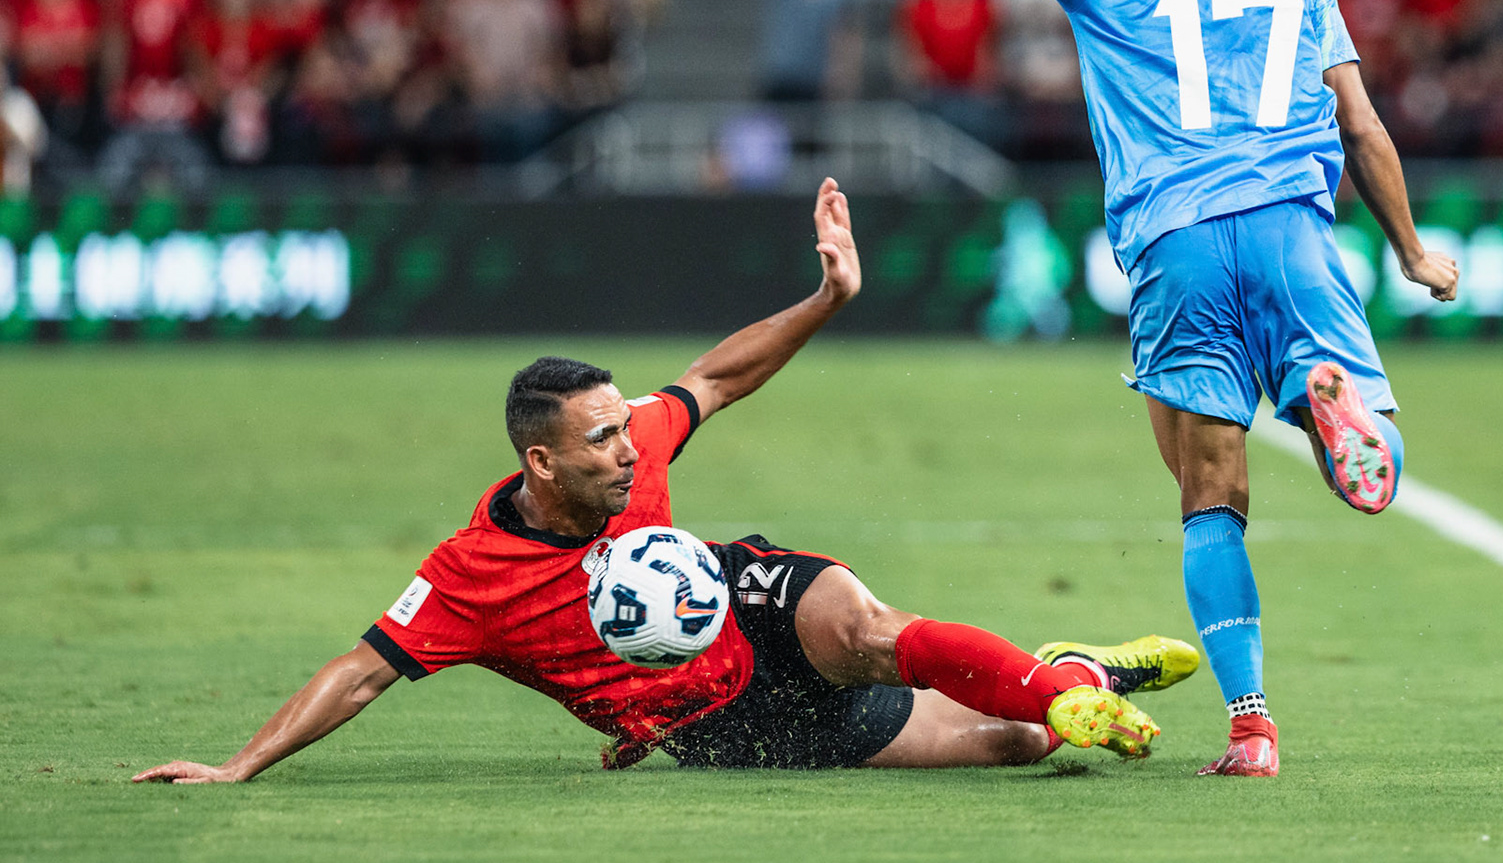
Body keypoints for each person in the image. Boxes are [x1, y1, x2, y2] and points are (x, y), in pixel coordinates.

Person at [134, 180, 1190, 783]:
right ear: (540, 461)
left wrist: (826, 297)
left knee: (868, 626)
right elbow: (359, 670)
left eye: (623, 428)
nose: (630, 448)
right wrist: (239, 765)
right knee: (1011, 743)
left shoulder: (637, 433)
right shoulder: (467, 576)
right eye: (601, 441)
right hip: (720, 726)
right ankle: (1067, 672)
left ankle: (1056, 683)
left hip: (739, 595)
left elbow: (716, 376)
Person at [936, 0, 1459, 777]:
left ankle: (1253, 726)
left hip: (1175, 243)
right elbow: (1362, 123)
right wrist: (1414, 249)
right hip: (1291, 231)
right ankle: (1335, 410)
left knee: (1208, 490)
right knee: (1362, 431)